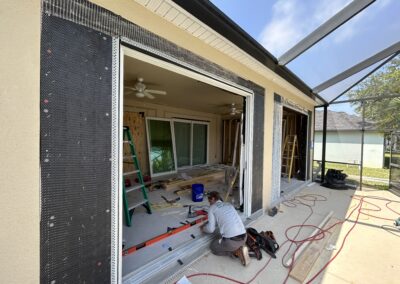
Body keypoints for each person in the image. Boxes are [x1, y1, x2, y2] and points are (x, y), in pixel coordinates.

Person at [200, 191, 250, 266]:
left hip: (231, 242)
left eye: (209, 201)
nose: (209, 203)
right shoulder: (228, 204)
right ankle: (240, 247)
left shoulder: (212, 208)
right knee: (225, 236)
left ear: (213, 199)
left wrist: (203, 228)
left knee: (213, 247)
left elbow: (210, 229)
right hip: (244, 236)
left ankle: (235, 252)